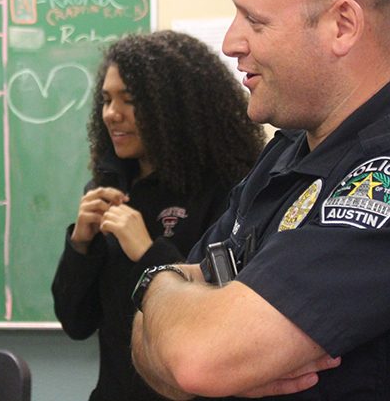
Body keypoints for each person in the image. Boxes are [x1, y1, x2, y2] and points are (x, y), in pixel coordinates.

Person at [131, 0, 390, 400]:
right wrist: (170, 295)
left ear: (342, 25)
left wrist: (156, 286)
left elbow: (193, 360)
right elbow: (154, 350)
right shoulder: (290, 150)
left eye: (256, 20)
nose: (230, 41)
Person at [52, 30, 265, 401]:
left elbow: (224, 321)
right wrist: (80, 244)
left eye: (128, 100)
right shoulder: (108, 189)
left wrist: (149, 253)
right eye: (105, 100)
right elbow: (75, 321)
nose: (111, 114)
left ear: (171, 107)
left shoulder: (229, 191)